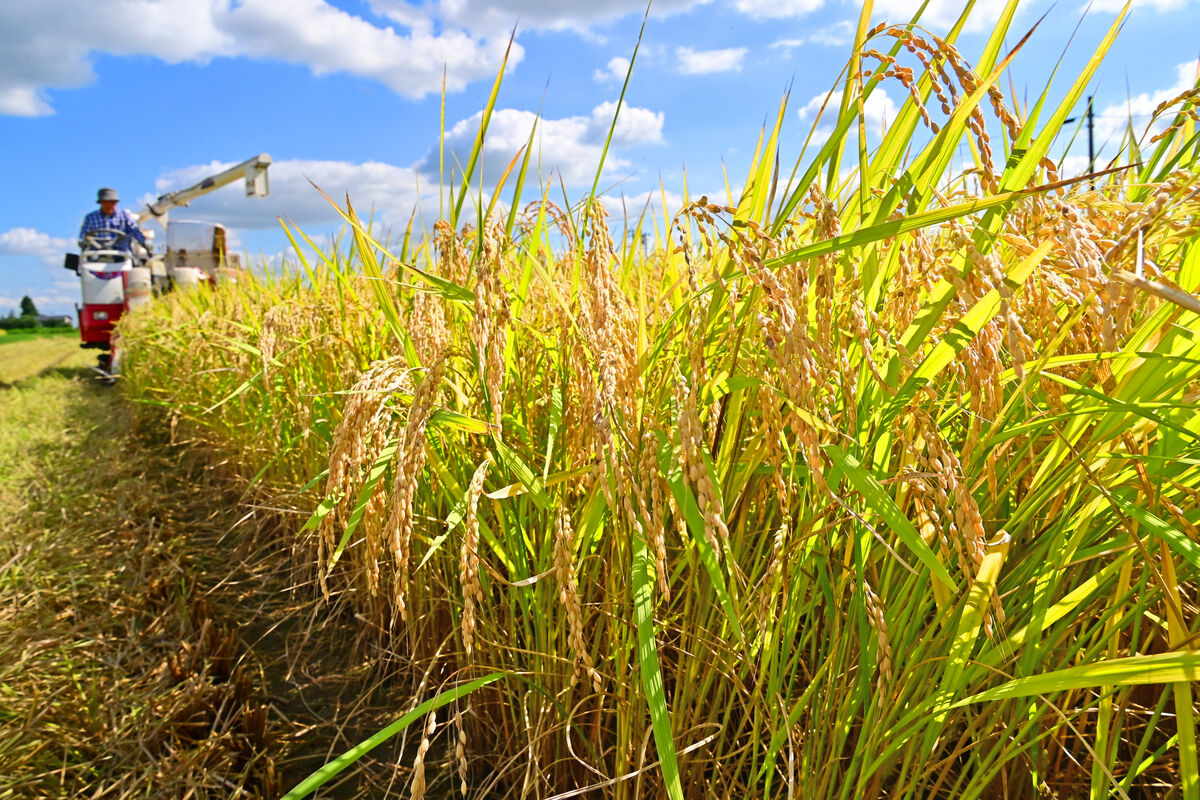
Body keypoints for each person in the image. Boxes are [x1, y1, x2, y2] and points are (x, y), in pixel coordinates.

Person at [79, 188, 149, 254]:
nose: (108, 205)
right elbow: (83, 237)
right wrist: (84, 242)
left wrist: (144, 243)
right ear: (100, 202)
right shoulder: (90, 218)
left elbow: (134, 231)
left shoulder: (124, 215)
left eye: (112, 202)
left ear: (116, 203)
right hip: (96, 256)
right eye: (105, 202)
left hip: (122, 255)